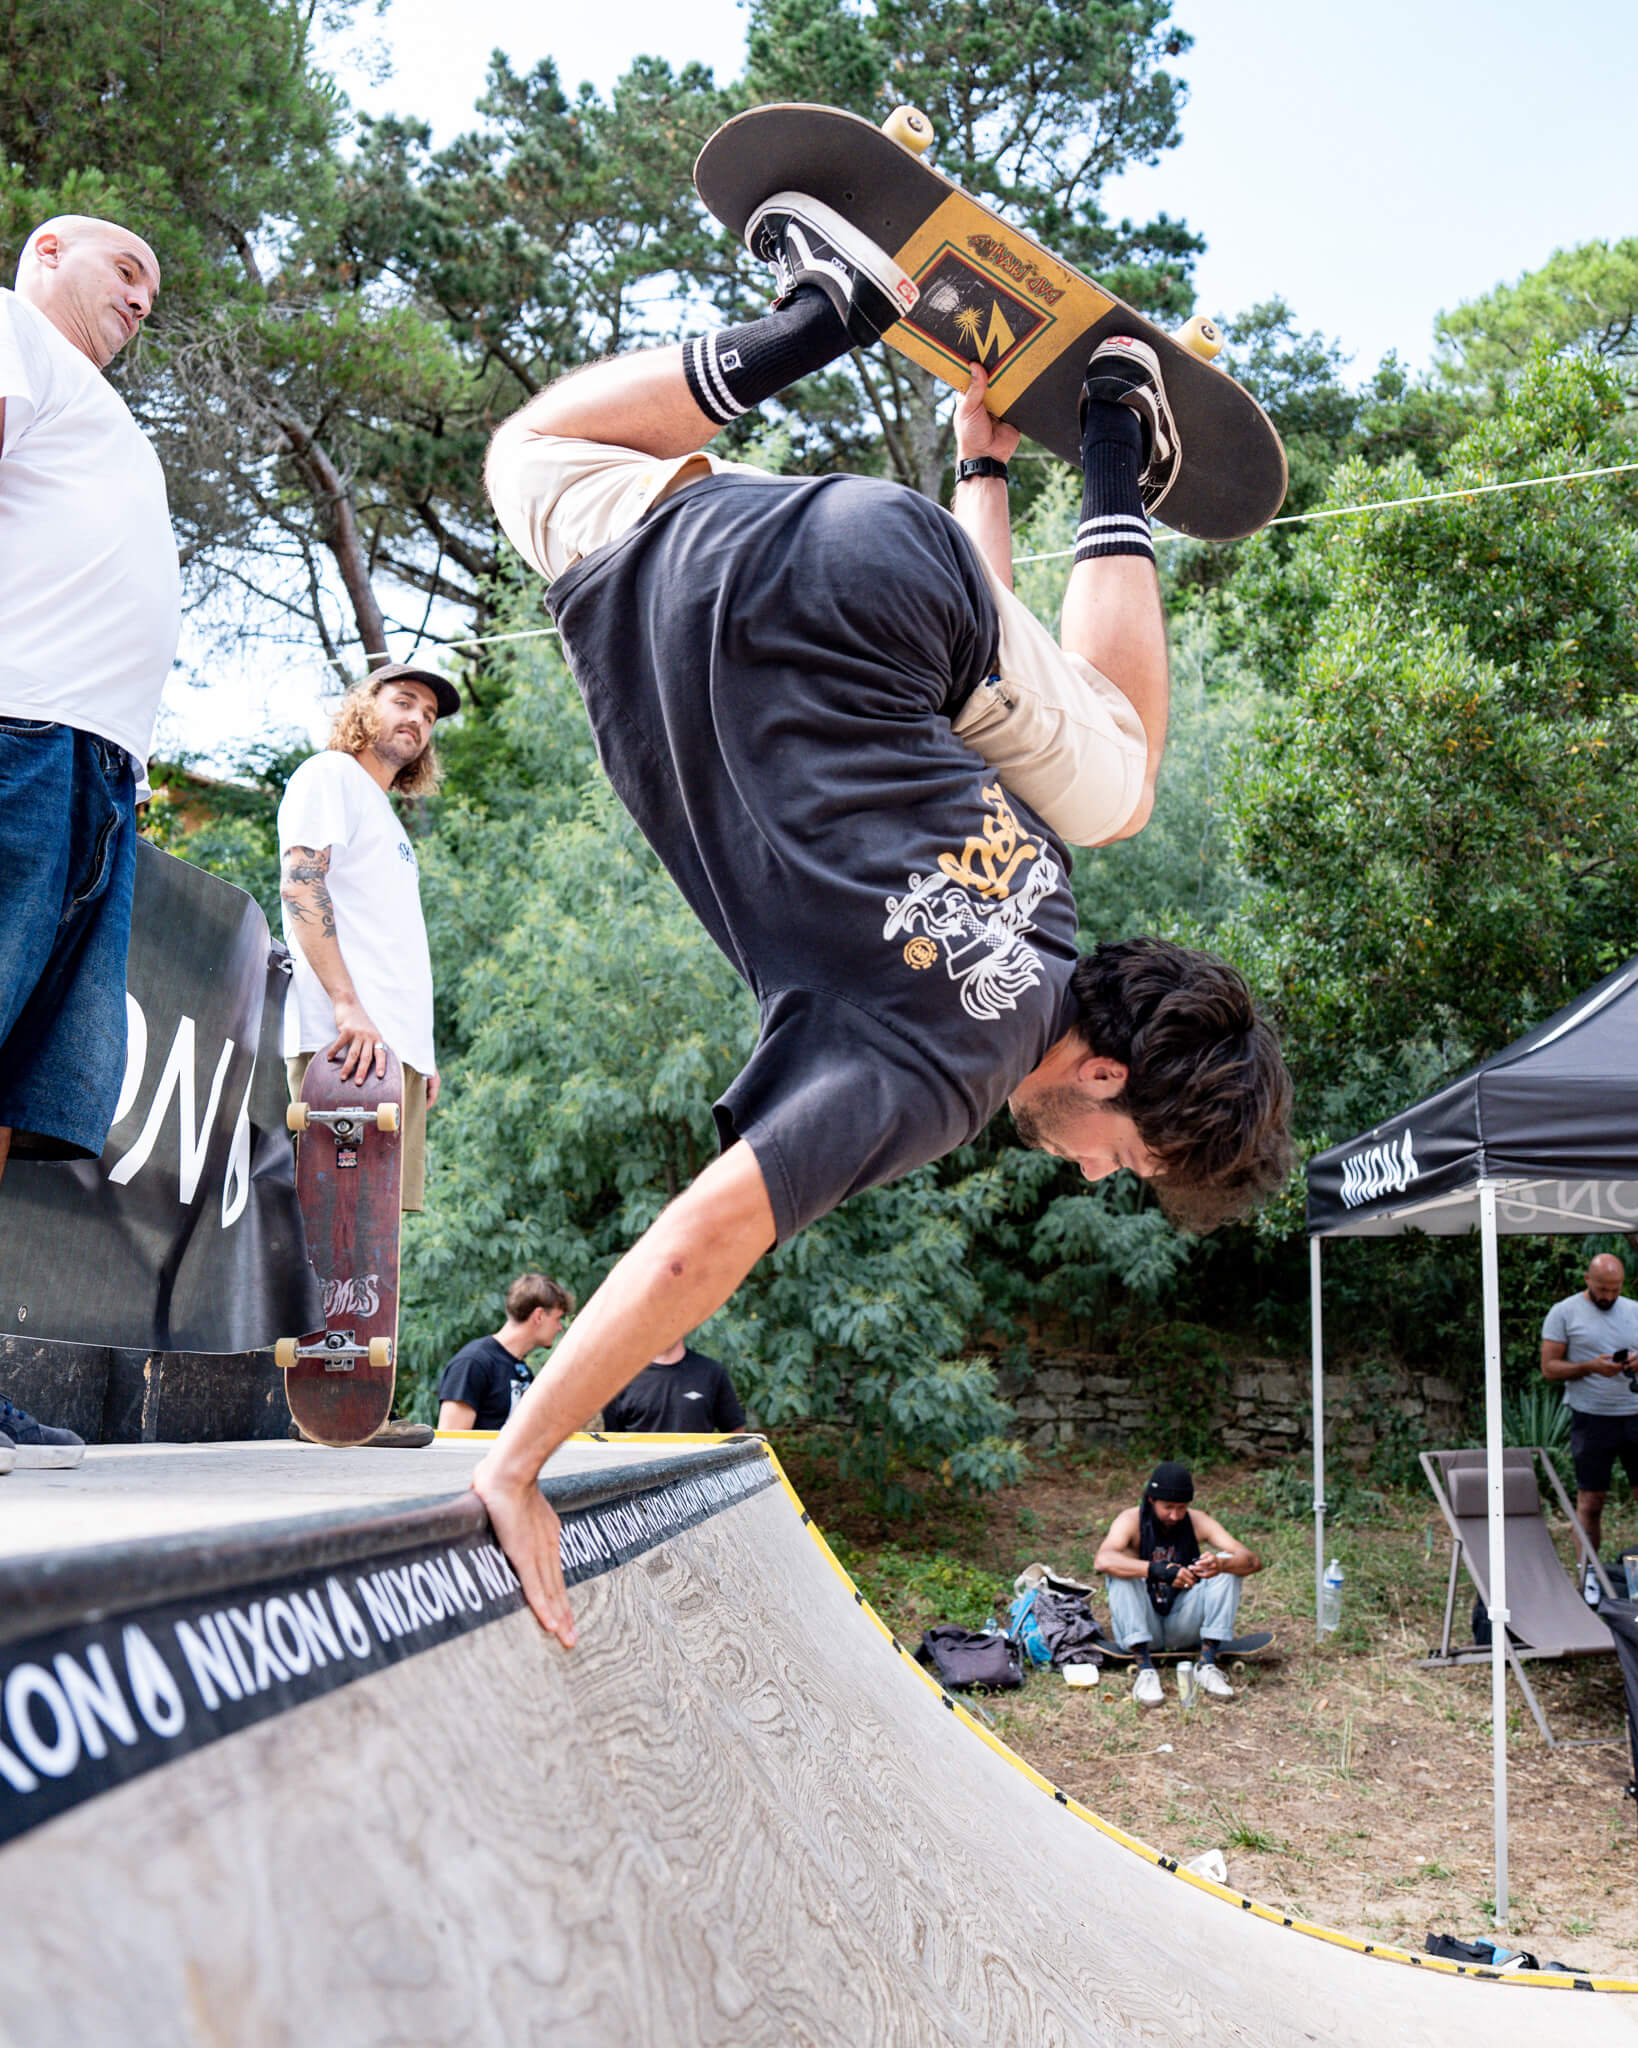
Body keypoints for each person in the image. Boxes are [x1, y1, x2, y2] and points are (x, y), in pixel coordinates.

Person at [472, 193, 1292, 1645]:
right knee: (522, 458)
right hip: (675, 584)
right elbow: (696, 1243)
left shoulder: (1046, 917)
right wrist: (520, 1458)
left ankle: (841, 328)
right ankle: (1074, 427)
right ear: (1104, 1074)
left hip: (837, 546)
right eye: (1130, 1156)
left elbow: (1016, 663)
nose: (1101, 1180)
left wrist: (981, 463)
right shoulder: (943, 1078)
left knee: (1103, 785)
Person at [0, 215, 176, 1180]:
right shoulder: (11, 326)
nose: (144, 298)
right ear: (50, 251)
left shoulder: (103, 416)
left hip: (99, 774)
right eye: (128, 268)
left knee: (22, 1078)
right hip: (17, 733)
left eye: (153, 289)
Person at [277, 662, 460, 1214]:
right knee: (332, 1239)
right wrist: (346, 1004)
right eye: (404, 702)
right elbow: (301, 882)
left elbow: (387, 939)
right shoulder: (329, 774)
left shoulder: (386, 817)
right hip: (344, 1045)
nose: (418, 719)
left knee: (375, 1262)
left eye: (428, 715)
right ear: (364, 707)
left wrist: (417, 1053)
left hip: (387, 1053)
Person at [1095, 1462, 1263, 1704]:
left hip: (1184, 1622)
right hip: (1143, 1624)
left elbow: (1252, 1560)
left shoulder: (1198, 1521)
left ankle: (1206, 1665)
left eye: (1181, 1508)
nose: (1175, 1515)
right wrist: (1155, 1570)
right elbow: (1102, 1560)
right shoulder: (1130, 1520)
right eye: (1168, 1508)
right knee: (1119, 1570)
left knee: (1229, 1561)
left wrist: (1220, 1565)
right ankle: (1145, 1670)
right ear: (1152, 1501)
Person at [1541, 1253, 1638, 1563]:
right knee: (1591, 1500)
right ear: (1587, 1280)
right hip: (1591, 1418)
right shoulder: (1563, 1313)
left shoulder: (1634, 1311)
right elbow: (1549, 1368)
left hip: (1634, 1414)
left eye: (1615, 1289)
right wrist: (1590, 1367)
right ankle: (1588, 1577)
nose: (1608, 1296)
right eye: (1601, 1289)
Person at [437, 1275, 574, 1431]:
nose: (559, 1327)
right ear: (539, 1316)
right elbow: (451, 1441)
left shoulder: (521, 1370)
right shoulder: (473, 1363)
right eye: (557, 1319)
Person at [598, 1333, 746, 1434]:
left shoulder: (711, 1372)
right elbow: (610, 1445)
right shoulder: (620, 1378)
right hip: (640, 1478)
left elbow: (736, 1437)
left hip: (697, 1477)